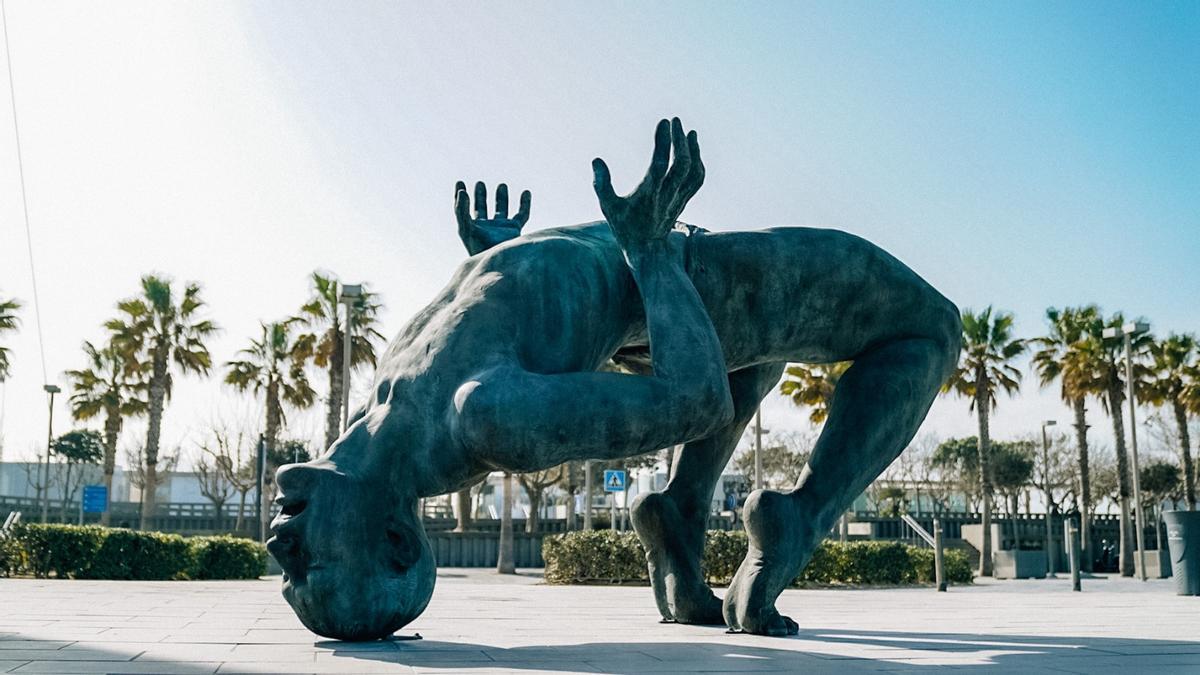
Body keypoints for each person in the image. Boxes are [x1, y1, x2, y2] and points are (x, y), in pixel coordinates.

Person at [268, 118, 961, 639]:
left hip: (642, 284)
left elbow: (498, 326)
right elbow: (696, 399)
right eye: (309, 569)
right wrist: (650, 250)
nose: (282, 547)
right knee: (928, 326)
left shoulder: (391, 400)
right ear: (393, 541)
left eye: (286, 568)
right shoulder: (487, 418)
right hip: (675, 274)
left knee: (758, 358)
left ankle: (682, 518)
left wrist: (501, 253)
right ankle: (800, 519)